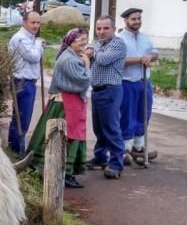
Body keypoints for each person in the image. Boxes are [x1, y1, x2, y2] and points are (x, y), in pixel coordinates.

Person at [27, 28, 92, 188]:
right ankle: (65, 173)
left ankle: (41, 167)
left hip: (64, 102)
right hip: (66, 104)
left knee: (53, 134)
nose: (83, 42)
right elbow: (83, 81)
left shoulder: (70, 56)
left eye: (85, 39)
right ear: (71, 42)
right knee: (68, 135)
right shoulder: (70, 60)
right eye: (79, 40)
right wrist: (88, 65)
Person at [86, 15, 128, 179]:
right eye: (98, 28)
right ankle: (100, 157)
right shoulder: (98, 44)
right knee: (99, 128)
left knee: (111, 128)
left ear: (114, 29)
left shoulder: (117, 43)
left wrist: (91, 50)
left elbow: (103, 60)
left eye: (105, 28)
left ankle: (116, 164)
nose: (101, 32)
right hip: (97, 90)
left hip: (110, 90)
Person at [117, 8, 159, 163]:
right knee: (127, 115)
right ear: (126, 20)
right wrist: (138, 59)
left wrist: (150, 56)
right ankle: (124, 148)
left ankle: (138, 147)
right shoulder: (119, 39)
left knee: (144, 113)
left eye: (139, 19)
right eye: (133, 19)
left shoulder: (145, 38)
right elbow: (117, 61)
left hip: (144, 81)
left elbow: (155, 53)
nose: (137, 22)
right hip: (127, 82)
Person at [7, 10, 44, 154]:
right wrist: (39, 44)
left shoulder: (30, 38)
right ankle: (17, 151)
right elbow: (33, 56)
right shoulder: (20, 38)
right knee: (21, 119)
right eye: (32, 22)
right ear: (24, 23)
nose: (36, 26)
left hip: (29, 82)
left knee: (23, 118)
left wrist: (38, 43)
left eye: (38, 23)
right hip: (22, 82)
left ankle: (15, 148)